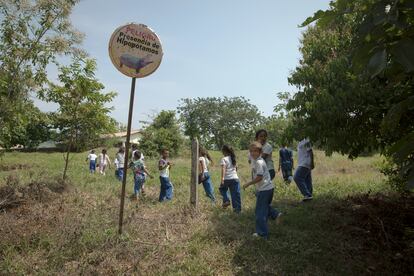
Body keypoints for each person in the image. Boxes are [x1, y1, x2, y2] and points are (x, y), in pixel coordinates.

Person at [243, 141, 281, 239]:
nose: (252, 153)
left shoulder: (259, 162)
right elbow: (250, 160)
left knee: (260, 213)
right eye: (251, 151)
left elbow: (259, 177)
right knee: (263, 208)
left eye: (255, 151)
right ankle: (276, 214)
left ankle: (262, 234)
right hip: (267, 189)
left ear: (260, 152)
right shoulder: (256, 160)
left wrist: (248, 183)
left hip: (265, 190)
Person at [219, 145, 241, 213]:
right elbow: (236, 168)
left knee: (222, 189)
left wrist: (222, 178)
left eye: (222, 151)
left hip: (227, 178)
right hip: (235, 178)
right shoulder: (233, 158)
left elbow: (223, 169)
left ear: (225, 151)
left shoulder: (224, 159)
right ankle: (237, 211)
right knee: (235, 195)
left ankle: (226, 200)